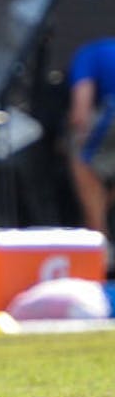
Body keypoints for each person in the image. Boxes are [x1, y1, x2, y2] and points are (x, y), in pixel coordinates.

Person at [67, 36, 115, 246]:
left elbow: (81, 110)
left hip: (110, 116)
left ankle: (98, 239)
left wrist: (78, 135)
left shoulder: (88, 53)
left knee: (81, 163)